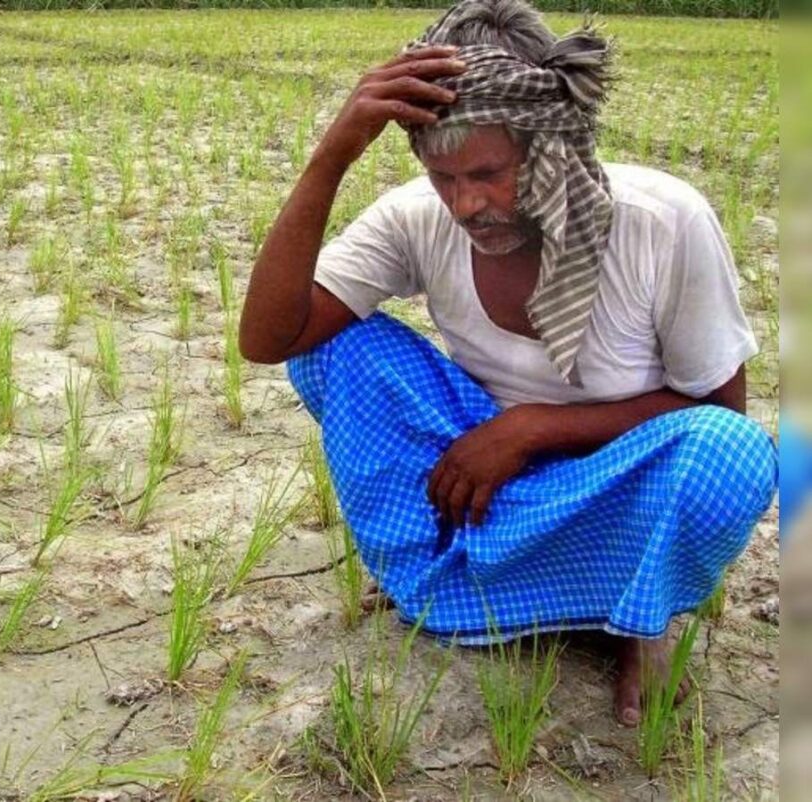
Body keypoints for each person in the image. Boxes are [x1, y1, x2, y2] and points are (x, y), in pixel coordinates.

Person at [238, 0, 778, 727]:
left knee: (732, 455)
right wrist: (334, 151)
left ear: (550, 144)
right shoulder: (414, 218)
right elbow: (271, 337)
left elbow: (718, 411)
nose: (466, 204)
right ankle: (457, 575)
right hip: (477, 474)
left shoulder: (663, 222)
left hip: (607, 476)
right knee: (331, 350)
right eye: (442, 177)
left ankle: (637, 616)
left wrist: (533, 428)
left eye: (489, 172)